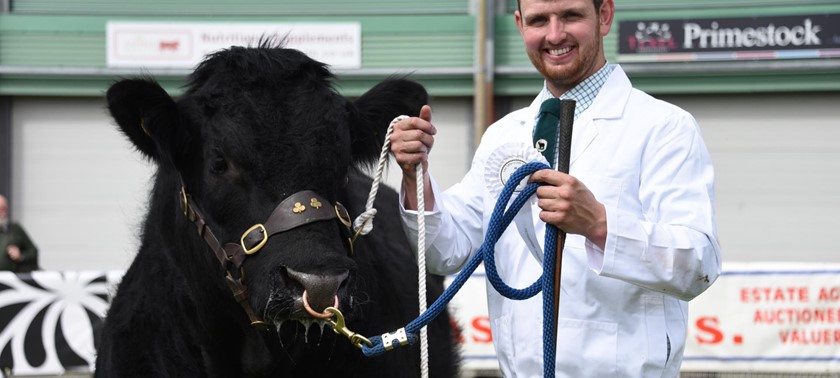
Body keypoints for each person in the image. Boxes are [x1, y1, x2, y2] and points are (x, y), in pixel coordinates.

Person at [389, 0, 722, 376]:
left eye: (571, 15)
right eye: (538, 20)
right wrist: (416, 175)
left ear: (605, 15)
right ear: (519, 25)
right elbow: (444, 252)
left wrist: (598, 224)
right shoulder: (503, 135)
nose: (554, 34)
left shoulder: (663, 128)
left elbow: (697, 265)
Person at [0, 194, 39, 273]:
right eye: (0, 210)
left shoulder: (15, 229)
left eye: (5, 209)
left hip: (11, 280)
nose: (3, 214)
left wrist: (21, 256)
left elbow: (33, 252)